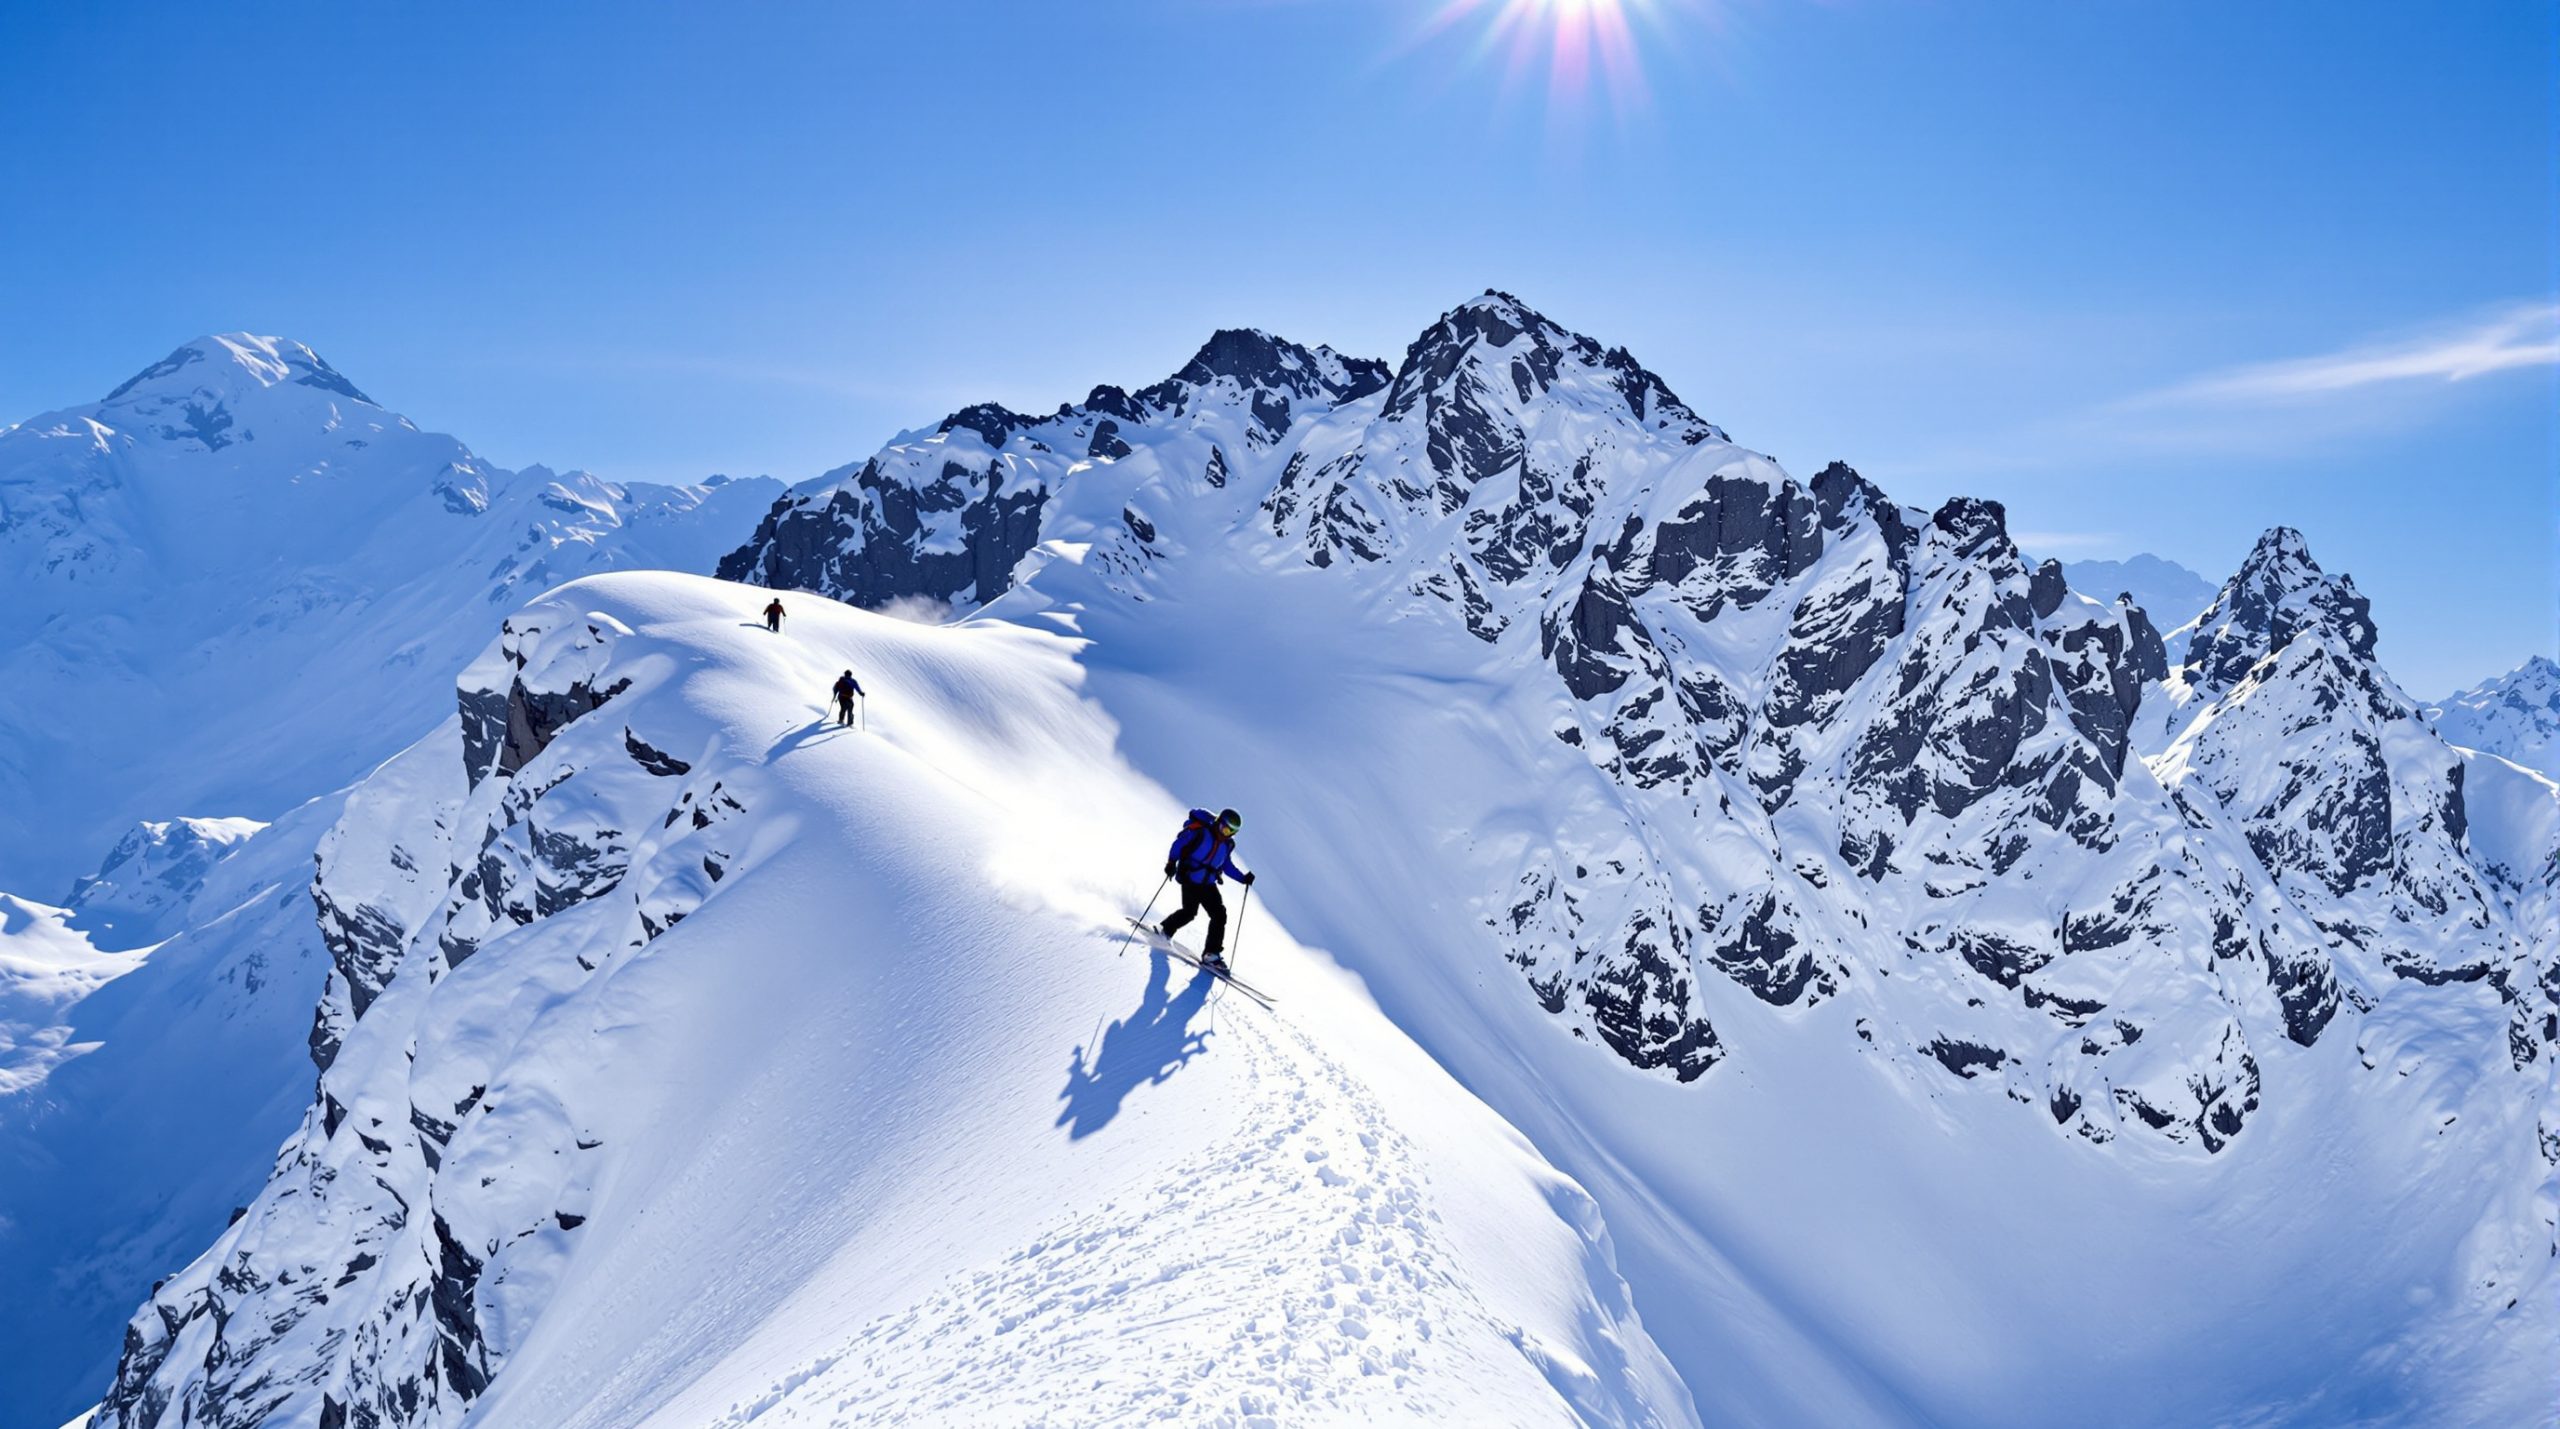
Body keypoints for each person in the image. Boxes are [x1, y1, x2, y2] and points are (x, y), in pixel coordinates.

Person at [1158, 807, 1254, 970]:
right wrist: (1170, 863)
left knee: (1219, 914)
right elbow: (1179, 844)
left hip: (1208, 883)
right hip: (1191, 877)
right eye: (1225, 828)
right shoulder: (1201, 832)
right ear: (1219, 823)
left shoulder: (1227, 844)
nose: (1227, 833)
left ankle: (1211, 954)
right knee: (1189, 913)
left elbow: (1226, 864)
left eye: (1232, 831)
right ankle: (1165, 930)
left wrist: (1243, 878)